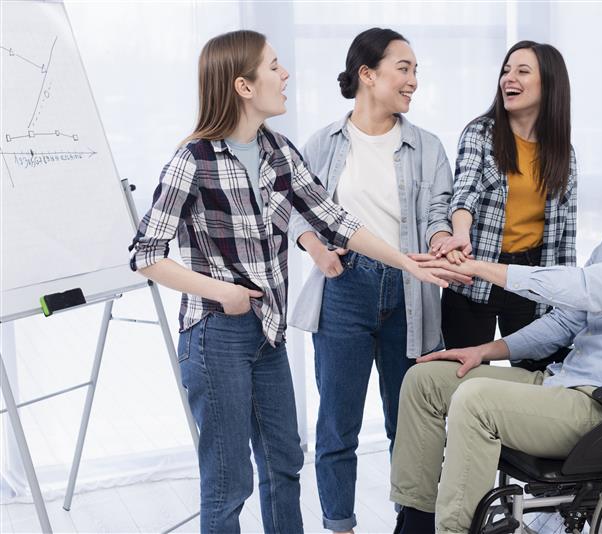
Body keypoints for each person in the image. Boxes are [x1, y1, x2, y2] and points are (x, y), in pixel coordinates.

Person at [128, 30, 464, 534]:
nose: (286, 75)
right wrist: (222, 291)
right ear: (243, 86)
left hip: (268, 333)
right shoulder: (193, 160)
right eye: (275, 67)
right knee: (229, 481)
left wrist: (407, 262)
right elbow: (145, 255)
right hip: (215, 335)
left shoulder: (279, 152)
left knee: (285, 463)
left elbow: (336, 221)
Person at [389, 130, 602, 534]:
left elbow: (588, 290)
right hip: (566, 385)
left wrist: (480, 267)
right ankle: (416, 524)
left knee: (476, 399)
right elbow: (565, 321)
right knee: (425, 381)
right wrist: (484, 351)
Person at [287, 28, 453, 534]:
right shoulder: (323, 144)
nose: (413, 81)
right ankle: (340, 525)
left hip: (410, 293)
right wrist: (316, 248)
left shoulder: (426, 146)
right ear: (368, 74)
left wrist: (443, 235)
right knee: (339, 424)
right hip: (344, 288)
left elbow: (439, 210)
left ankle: (412, 522)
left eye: (415, 70)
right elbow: (294, 211)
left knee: (411, 423)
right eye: (403, 68)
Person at [433, 40, 577, 355]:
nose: (508, 78)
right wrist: (460, 233)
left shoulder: (563, 153)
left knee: (539, 378)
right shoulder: (481, 133)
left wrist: (568, 297)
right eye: (506, 70)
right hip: (476, 271)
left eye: (522, 71)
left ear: (549, 84)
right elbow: (465, 190)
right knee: (461, 376)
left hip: (530, 278)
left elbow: (566, 237)